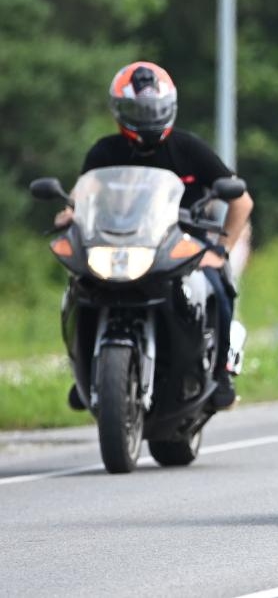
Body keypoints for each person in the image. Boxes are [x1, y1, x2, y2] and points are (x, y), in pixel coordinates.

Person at [55, 61, 254, 410]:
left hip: (183, 244)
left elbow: (241, 200)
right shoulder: (103, 151)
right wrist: (70, 212)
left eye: (154, 109)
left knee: (218, 286)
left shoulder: (189, 148)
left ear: (169, 107)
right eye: (138, 110)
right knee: (80, 288)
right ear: (119, 110)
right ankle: (86, 373)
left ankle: (221, 374)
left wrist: (221, 250)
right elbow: (81, 196)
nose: (147, 117)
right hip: (119, 243)